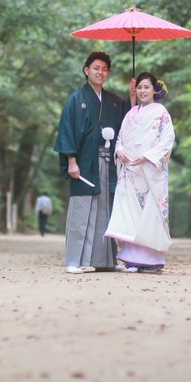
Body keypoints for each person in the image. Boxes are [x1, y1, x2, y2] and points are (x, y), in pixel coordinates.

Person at [53, 51, 132, 273]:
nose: (100, 72)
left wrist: (133, 95)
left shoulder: (114, 101)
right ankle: (73, 261)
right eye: (96, 68)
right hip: (84, 163)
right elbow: (67, 131)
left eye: (105, 69)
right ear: (86, 70)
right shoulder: (76, 100)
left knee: (106, 210)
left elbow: (128, 118)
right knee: (81, 209)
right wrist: (71, 161)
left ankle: (105, 261)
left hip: (107, 164)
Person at [105, 71, 175, 273]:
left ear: (155, 89)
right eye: (140, 87)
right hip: (131, 171)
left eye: (147, 87)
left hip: (150, 170)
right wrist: (119, 150)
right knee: (131, 213)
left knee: (149, 211)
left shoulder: (161, 113)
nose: (143, 91)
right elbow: (120, 138)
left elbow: (167, 140)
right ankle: (132, 260)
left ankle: (151, 260)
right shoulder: (130, 113)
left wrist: (148, 157)